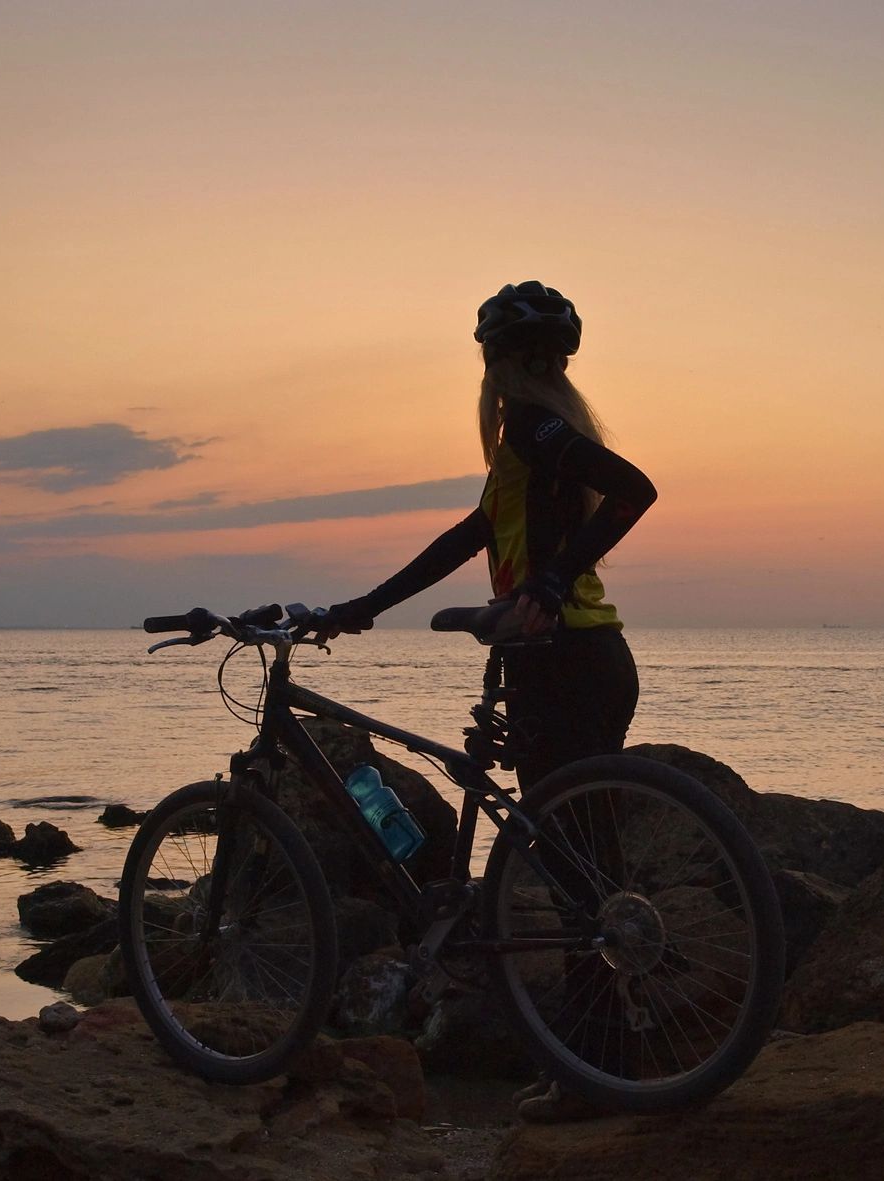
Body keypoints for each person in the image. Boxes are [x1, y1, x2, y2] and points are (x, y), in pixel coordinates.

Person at [320, 280, 657, 1122]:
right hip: (584, 654)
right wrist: (363, 606)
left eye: (502, 359)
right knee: (585, 861)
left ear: (497, 364)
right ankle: (614, 1052)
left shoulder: (534, 429)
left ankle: (593, 1072)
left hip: (563, 656)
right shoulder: (530, 443)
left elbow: (632, 489)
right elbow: (463, 539)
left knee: (574, 872)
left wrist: (550, 577)